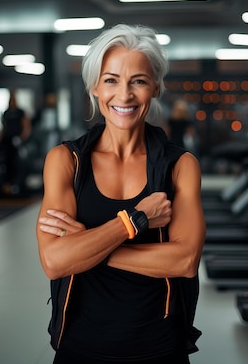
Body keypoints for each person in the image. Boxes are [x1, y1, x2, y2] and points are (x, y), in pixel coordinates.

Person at [36, 24, 206, 364]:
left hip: (160, 347)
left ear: (155, 87)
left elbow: (185, 262)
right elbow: (55, 262)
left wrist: (88, 250)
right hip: (80, 346)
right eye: (111, 80)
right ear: (94, 87)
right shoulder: (65, 161)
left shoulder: (180, 166)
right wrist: (135, 221)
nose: (124, 95)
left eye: (138, 81)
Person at [0, 90, 31, 194]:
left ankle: (19, 185)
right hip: (7, 142)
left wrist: (21, 138)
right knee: (6, 164)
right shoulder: (6, 112)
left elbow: (26, 127)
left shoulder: (20, 112)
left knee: (18, 164)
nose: (11, 100)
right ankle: (7, 185)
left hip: (17, 142)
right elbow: (3, 127)